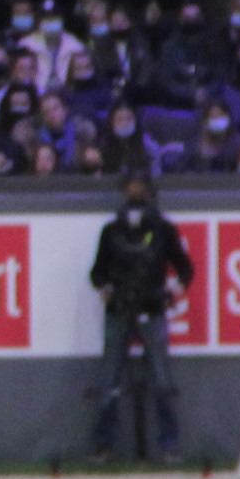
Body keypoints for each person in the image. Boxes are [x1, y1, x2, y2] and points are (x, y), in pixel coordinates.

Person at [87, 172, 191, 461]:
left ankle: (169, 445)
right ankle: (103, 444)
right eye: (130, 188)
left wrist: (174, 291)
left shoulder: (164, 230)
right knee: (109, 378)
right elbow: (97, 272)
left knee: (161, 376)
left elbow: (185, 268)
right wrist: (105, 288)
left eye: (140, 187)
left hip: (153, 308)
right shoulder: (111, 231)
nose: (135, 193)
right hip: (119, 309)